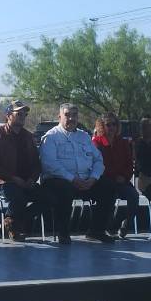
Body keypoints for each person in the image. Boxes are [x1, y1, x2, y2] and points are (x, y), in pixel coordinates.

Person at [39, 104, 115, 244]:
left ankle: (96, 231)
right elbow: (50, 164)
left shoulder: (84, 136)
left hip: (85, 181)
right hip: (58, 180)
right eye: (67, 115)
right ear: (59, 117)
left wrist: (93, 178)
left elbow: (98, 160)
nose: (71, 118)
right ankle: (63, 233)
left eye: (74, 115)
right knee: (65, 189)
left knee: (108, 186)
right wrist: (72, 179)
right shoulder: (51, 137)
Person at [0, 100, 50, 242]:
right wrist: (13, 178)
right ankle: (14, 227)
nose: (22, 116)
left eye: (24, 114)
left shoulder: (28, 136)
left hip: (26, 181)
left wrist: (32, 179)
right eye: (18, 113)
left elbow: (36, 164)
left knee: (48, 198)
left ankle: (12, 221)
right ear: (8, 115)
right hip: (4, 181)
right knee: (18, 196)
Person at [92, 113, 139, 239]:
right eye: (108, 124)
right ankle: (109, 228)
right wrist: (114, 177)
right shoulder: (96, 143)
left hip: (122, 180)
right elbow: (99, 165)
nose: (111, 127)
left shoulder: (123, 143)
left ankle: (124, 225)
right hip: (105, 180)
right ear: (102, 126)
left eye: (114, 124)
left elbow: (130, 164)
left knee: (134, 196)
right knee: (109, 192)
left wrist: (124, 176)